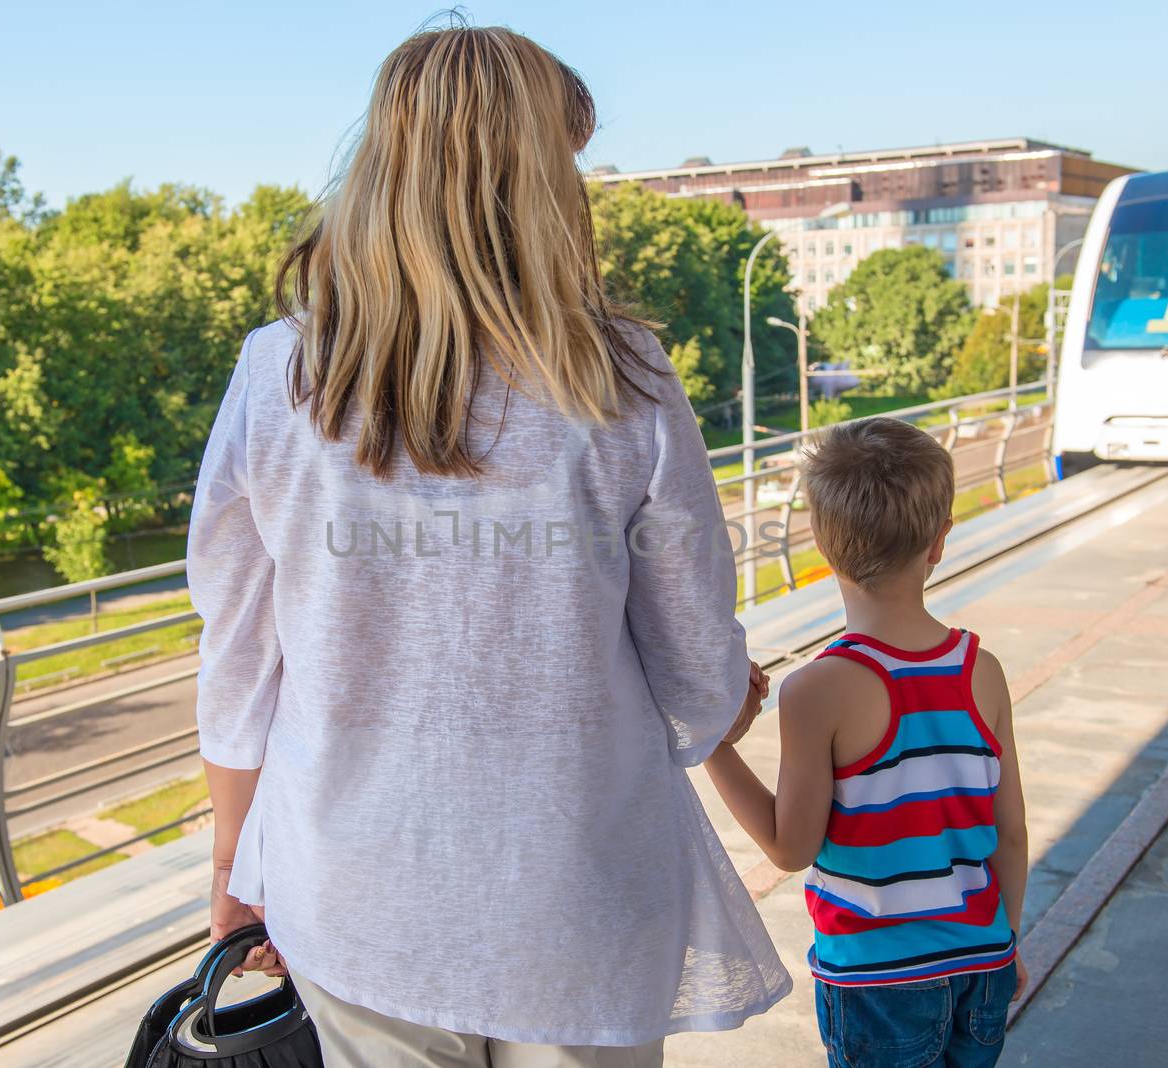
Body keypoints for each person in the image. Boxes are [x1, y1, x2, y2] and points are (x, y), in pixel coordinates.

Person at [186, 24, 791, 1068]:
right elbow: (695, 674)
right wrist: (718, 699)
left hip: (352, 885)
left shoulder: (279, 376)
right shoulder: (623, 377)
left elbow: (238, 660)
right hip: (575, 884)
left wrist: (232, 870)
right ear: (539, 180)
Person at [705, 417, 1029, 1068]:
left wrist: (714, 745)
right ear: (939, 543)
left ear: (821, 544)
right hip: (981, 961)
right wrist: (1006, 943)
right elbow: (1011, 834)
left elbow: (790, 848)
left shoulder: (818, 690)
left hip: (877, 981)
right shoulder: (979, 669)